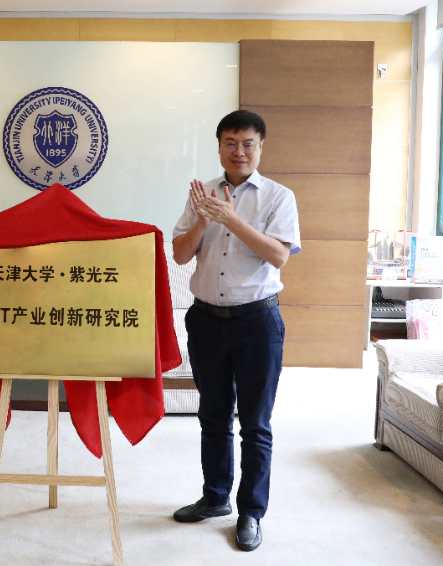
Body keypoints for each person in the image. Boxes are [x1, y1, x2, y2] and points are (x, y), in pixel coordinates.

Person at [171, 110, 300, 551]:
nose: (238, 151)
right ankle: (215, 498)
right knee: (213, 415)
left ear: (260, 147)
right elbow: (180, 254)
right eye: (230, 143)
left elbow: (278, 256)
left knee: (255, 423)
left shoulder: (278, 197)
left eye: (247, 143)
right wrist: (204, 220)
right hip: (206, 319)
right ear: (219, 147)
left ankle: (251, 513)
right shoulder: (201, 194)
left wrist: (231, 219)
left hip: (257, 322)